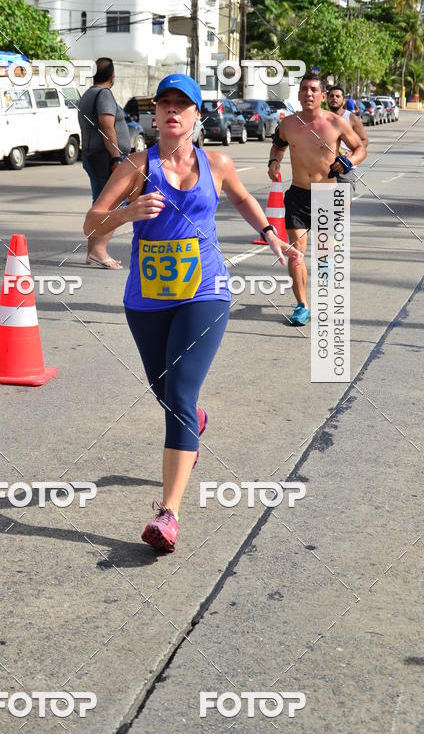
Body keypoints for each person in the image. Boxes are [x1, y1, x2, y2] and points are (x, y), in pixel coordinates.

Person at [83, 74, 303, 552]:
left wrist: (271, 234)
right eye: (164, 103)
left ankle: (169, 514)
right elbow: (91, 223)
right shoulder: (137, 166)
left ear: (196, 115)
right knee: (167, 395)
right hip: (147, 298)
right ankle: (194, 418)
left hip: (206, 291)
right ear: (154, 115)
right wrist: (128, 213)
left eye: (181, 104)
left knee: (179, 396)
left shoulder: (216, 162)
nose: (171, 110)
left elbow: (241, 197)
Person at [268, 74, 367, 327]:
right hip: (298, 195)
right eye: (304, 89)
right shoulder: (288, 124)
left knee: (325, 252)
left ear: (323, 96)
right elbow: (278, 146)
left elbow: (360, 149)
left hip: (327, 195)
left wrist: (348, 161)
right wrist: (274, 161)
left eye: (314, 89)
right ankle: (302, 305)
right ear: (298, 94)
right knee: (296, 252)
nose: (308, 93)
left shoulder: (336, 123)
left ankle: (326, 261)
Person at [78, 57, 131, 268]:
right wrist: (116, 157)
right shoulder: (104, 94)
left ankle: (92, 252)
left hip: (94, 156)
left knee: (100, 205)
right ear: (112, 76)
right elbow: (106, 126)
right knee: (115, 204)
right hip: (106, 158)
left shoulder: (88, 94)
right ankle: (99, 250)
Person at [326, 85, 369, 195]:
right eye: (331, 96)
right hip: (326, 168)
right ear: (327, 98)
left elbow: (364, 140)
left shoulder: (351, 118)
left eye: (338, 96)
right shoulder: (323, 117)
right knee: (324, 203)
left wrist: (351, 153)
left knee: (342, 203)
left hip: (345, 167)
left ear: (343, 100)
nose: (334, 98)